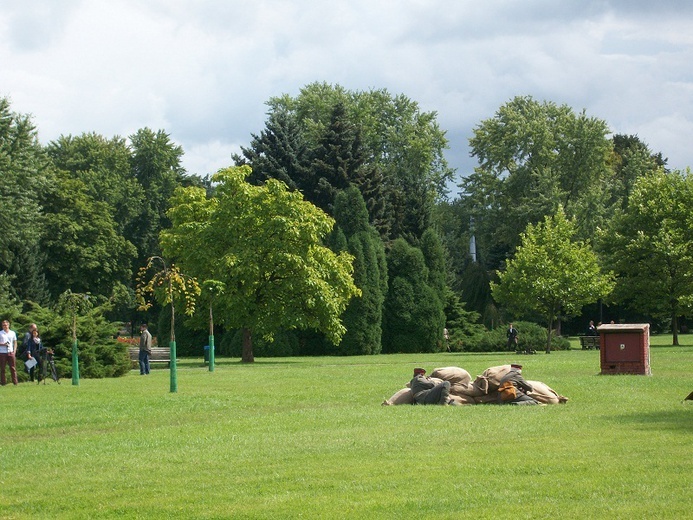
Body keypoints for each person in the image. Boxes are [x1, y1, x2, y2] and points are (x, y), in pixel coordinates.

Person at [0, 319, 19, 386]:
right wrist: (3, 344)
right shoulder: (0, 333)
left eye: (6, 325)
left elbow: (15, 342)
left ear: (8, 325)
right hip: (2, 352)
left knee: (13, 368)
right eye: (3, 325)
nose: (4, 326)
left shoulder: (12, 333)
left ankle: (15, 382)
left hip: (11, 352)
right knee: (3, 368)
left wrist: (14, 351)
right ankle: (3, 383)